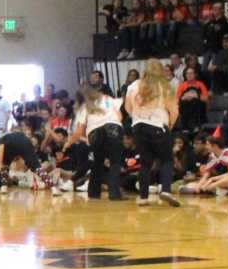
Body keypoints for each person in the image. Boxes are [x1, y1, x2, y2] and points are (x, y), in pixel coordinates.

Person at [125, 58, 181, 207]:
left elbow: (127, 107)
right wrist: (170, 125)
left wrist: (137, 118)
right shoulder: (165, 87)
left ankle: (143, 197)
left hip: (138, 127)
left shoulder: (133, 85)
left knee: (145, 163)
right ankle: (166, 190)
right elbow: (174, 111)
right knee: (167, 159)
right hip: (158, 125)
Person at [72, 82, 126, 200]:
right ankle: (114, 192)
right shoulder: (108, 99)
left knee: (97, 162)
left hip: (95, 133)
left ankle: (93, 192)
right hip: (113, 129)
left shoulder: (84, 106)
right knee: (115, 162)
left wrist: (69, 142)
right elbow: (120, 116)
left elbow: (79, 130)